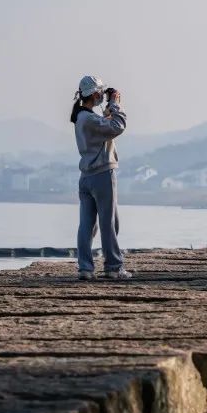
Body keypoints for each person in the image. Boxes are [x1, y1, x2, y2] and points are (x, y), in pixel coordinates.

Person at [70, 75, 132, 280]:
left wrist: (108, 110)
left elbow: (103, 124)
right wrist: (115, 104)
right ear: (95, 94)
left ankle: (85, 268)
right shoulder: (89, 119)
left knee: (86, 224)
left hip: (86, 177)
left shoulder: (82, 117)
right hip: (103, 174)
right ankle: (114, 267)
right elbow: (118, 126)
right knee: (109, 222)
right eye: (101, 93)